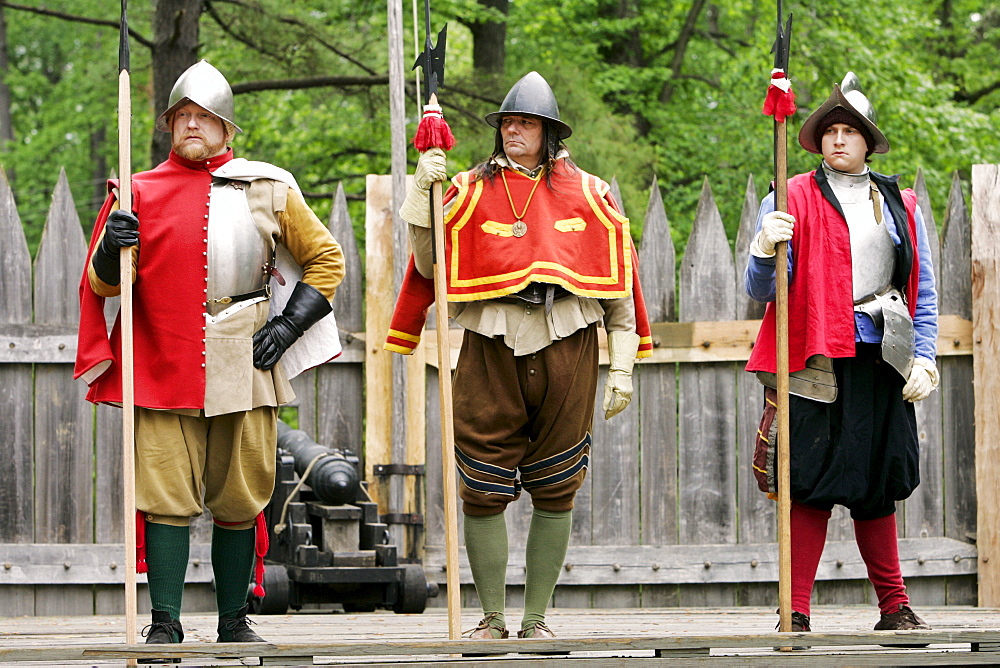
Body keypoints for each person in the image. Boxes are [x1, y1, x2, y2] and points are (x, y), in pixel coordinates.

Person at [74, 60, 345, 651]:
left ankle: (232, 622)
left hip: (243, 361)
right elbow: (102, 287)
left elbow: (328, 260)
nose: (192, 125)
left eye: (204, 117)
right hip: (162, 360)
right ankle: (166, 622)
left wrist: (289, 324)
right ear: (170, 126)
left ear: (226, 128)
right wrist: (108, 253)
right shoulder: (135, 190)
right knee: (166, 494)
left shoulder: (268, 186)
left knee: (240, 494)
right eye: (182, 117)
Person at [384, 71, 652, 642]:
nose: (513, 132)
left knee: (558, 483)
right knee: (481, 484)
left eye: (525, 123)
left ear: (549, 132)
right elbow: (431, 268)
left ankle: (535, 622)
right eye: (507, 123)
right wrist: (418, 200)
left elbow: (620, 293)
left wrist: (622, 368)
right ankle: (491, 619)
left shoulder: (593, 192)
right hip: (490, 342)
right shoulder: (464, 189)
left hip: (570, 341)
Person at [745, 72, 938, 635]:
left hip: (883, 355)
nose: (838, 140)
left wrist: (924, 354)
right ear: (817, 140)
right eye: (829, 131)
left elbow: (919, 288)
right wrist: (764, 249)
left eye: (849, 131)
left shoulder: (900, 203)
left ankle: (895, 607)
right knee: (806, 482)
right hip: (812, 356)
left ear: (867, 140)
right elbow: (762, 290)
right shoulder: (788, 196)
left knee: (877, 484)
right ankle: (795, 611)